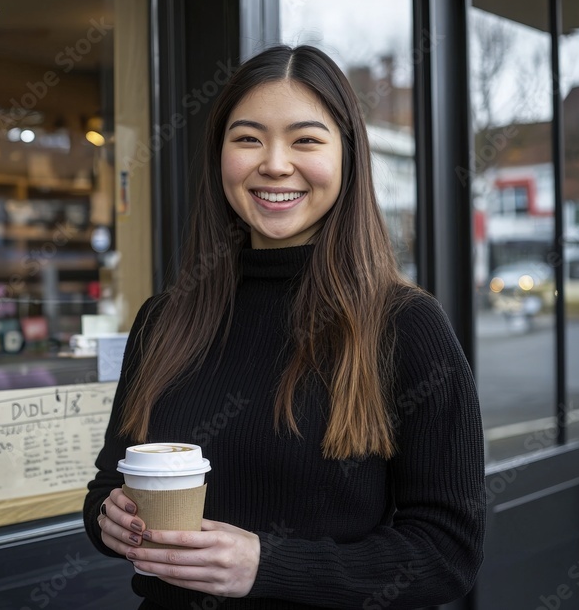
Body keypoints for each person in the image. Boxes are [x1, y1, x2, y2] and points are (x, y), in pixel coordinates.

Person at [83, 44, 486, 609]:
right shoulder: (164, 321)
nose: (274, 163)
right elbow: (106, 487)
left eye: (306, 140)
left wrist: (267, 566)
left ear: (347, 156)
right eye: (248, 138)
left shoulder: (405, 326)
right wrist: (112, 520)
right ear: (219, 153)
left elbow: (447, 554)